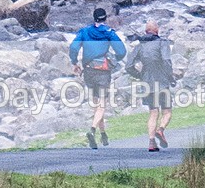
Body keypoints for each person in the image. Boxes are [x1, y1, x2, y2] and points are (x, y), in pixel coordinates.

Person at [69, 8, 127, 149]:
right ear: (105, 18)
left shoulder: (84, 32)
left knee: (96, 105)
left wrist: (75, 62)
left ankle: (103, 135)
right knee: (102, 105)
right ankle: (92, 130)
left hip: (88, 71)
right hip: (103, 72)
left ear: (94, 18)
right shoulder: (108, 32)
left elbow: (73, 47)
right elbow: (122, 51)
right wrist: (114, 60)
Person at [126, 20, 173, 152]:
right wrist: (170, 76)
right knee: (167, 111)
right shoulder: (162, 43)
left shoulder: (139, 46)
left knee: (153, 112)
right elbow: (166, 60)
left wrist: (140, 75)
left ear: (146, 32)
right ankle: (161, 129)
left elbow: (128, 66)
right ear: (157, 31)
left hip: (147, 84)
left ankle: (151, 142)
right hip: (162, 82)